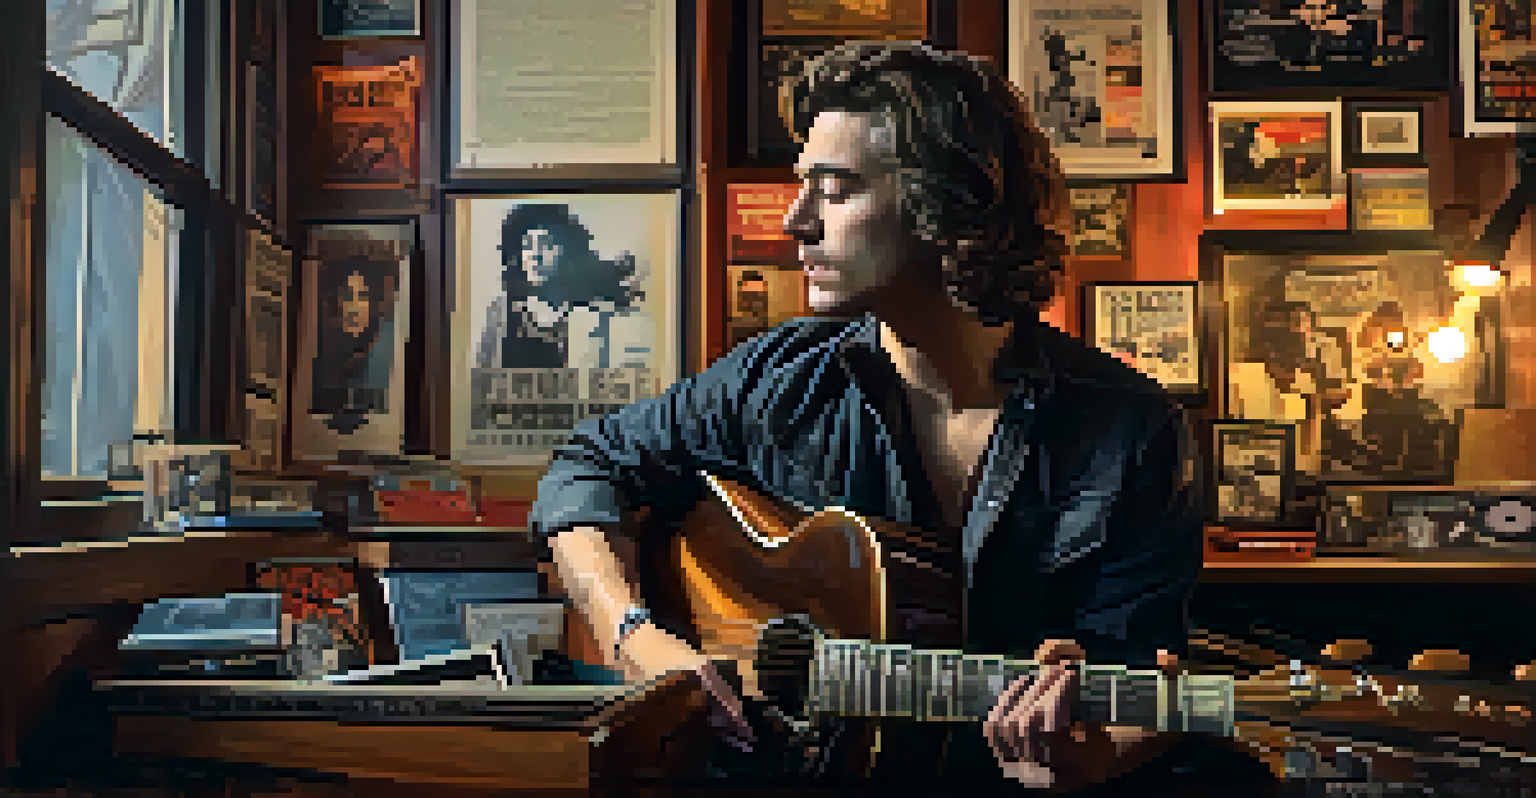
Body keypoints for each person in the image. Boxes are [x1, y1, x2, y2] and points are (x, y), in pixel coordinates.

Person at [531, 41, 1268, 791]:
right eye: (803, 187)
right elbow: (585, 466)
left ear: (947, 207)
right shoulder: (776, 379)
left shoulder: (1130, 430)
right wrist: (634, 637)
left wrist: (1093, 757)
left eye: (836, 190)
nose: (795, 221)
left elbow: (1138, 682)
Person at [475, 203, 646, 372]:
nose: (535, 255)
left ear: (567, 253)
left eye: (546, 245)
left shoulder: (592, 315)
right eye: (527, 245)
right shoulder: (501, 313)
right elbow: (481, 381)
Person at [310, 251, 399, 428]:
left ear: (374, 304)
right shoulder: (320, 355)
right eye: (348, 297)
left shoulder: (384, 357)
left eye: (363, 297)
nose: (354, 308)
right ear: (337, 302)